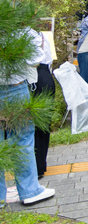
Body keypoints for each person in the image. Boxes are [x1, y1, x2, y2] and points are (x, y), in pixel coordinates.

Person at [0, 28, 55, 206]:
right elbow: (35, 59)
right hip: (13, 87)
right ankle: (29, 190)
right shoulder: (21, 28)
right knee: (22, 139)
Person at [33, 31, 56, 179]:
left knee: (32, 125)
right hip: (45, 75)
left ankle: (35, 167)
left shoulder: (16, 35)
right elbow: (49, 59)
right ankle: (40, 165)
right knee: (43, 124)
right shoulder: (42, 35)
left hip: (32, 78)